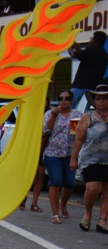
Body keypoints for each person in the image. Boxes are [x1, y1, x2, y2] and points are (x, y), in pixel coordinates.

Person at [71, 84, 108, 233]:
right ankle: (88, 212)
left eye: (105, 99)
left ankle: (102, 220)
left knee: (106, 190)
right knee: (93, 188)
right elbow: (78, 140)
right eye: (98, 99)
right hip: (91, 159)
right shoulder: (87, 118)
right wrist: (73, 159)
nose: (101, 101)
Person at [42, 89, 81, 224]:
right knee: (56, 181)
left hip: (69, 154)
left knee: (69, 183)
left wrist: (75, 156)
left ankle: (63, 204)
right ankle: (55, 214)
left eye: (67, 98)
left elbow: (76, 135)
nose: (63, 101)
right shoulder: (50, 113)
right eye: (60, 98)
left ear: (71, 101)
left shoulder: (76, 115)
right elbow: (46, 130)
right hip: (53, 153)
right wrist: (54, 114)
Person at [19, 99, 51, 213]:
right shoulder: (29, 113)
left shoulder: (51, 114)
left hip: (44, 147)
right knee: (28, 174)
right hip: (30, 146)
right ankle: (22, 198)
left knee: (40, 174)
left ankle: (34, 203)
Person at [69, 31, 108, 106]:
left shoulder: (91, 50)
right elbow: (85, 56)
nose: (91, 39)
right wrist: (78, 49)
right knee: (92, 105)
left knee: (69, 101)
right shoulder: (103, 53)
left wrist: (69, 46)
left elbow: (73, 55)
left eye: (92, 38)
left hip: (82, 84)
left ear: (95, 40)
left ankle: (69, 117)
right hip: (94, 85)